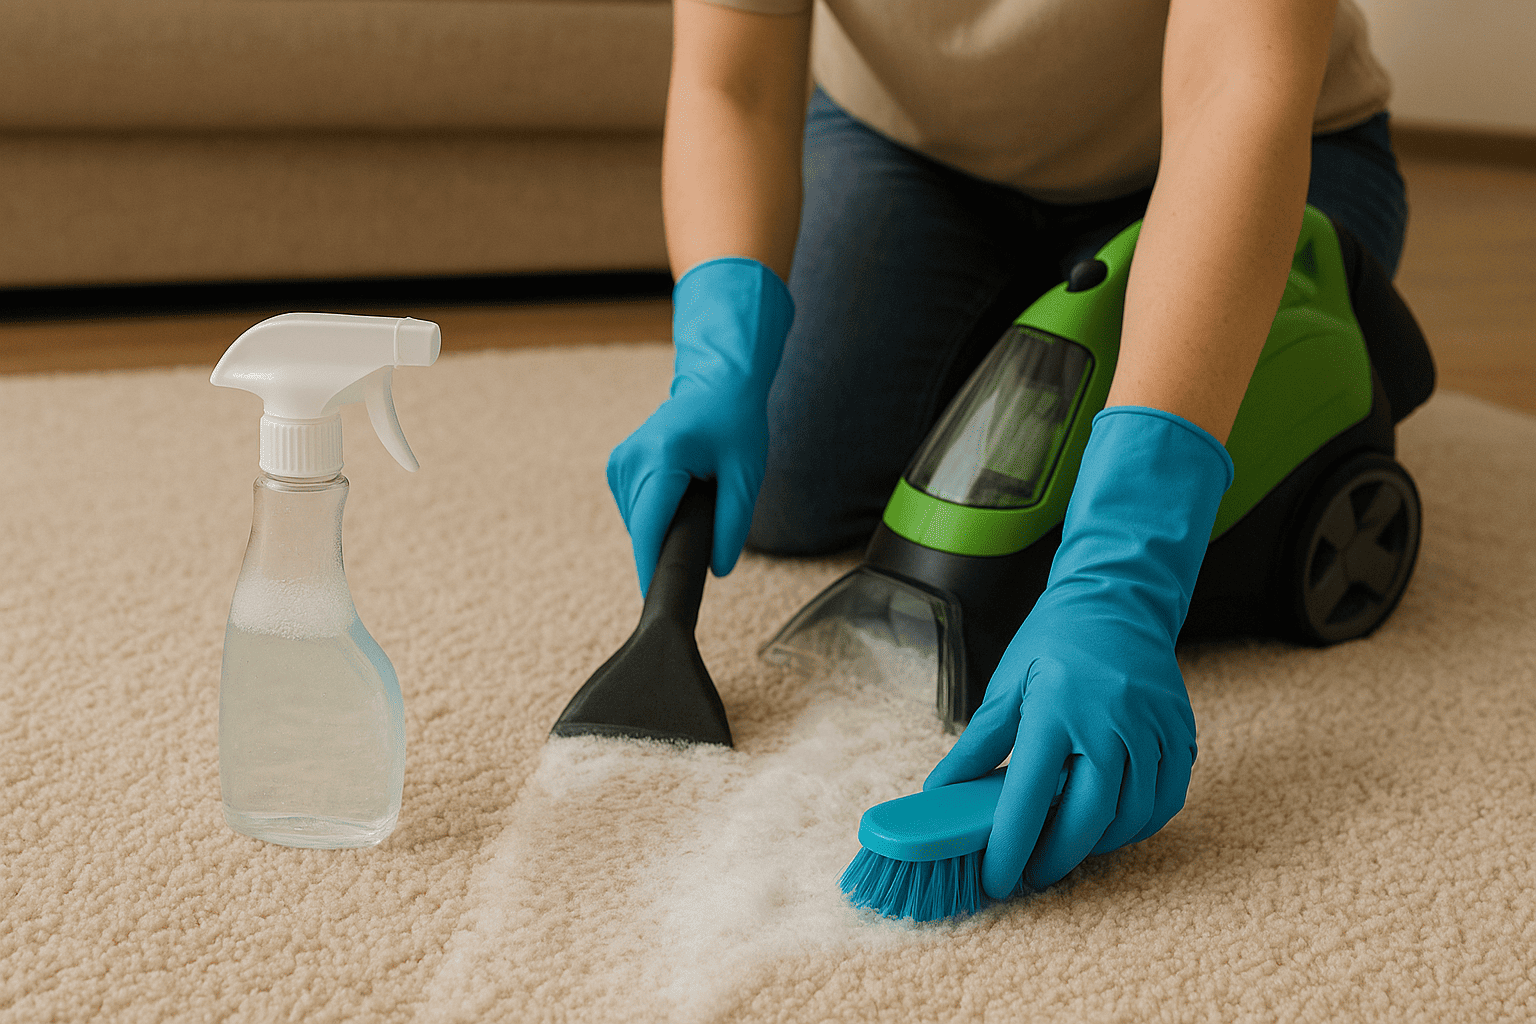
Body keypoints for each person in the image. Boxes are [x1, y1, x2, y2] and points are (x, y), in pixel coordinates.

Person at [605, 0, 1408, 900]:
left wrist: (1121, 576)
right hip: (916, 150)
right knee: (791, 474)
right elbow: (734, 81)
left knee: (1170, 515)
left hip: (1243, 137)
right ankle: (1049, 337)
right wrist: (717, 365)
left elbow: (1237, 86)